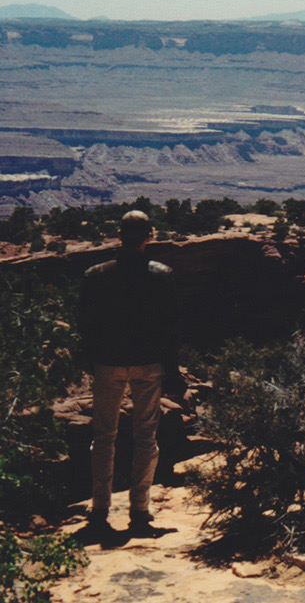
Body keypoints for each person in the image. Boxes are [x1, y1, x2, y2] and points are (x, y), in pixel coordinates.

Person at [78, 210, 182, 534]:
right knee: (145, 437)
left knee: (104, 437)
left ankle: (99, 511)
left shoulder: (95, 275)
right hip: (148, 364)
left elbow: (86, 326)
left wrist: (90, 361)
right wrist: (173, 371)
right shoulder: (162, 275)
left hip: (108, 363)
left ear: (119, 235)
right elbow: (169, 329)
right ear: (149, 236)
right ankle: (139, 511)